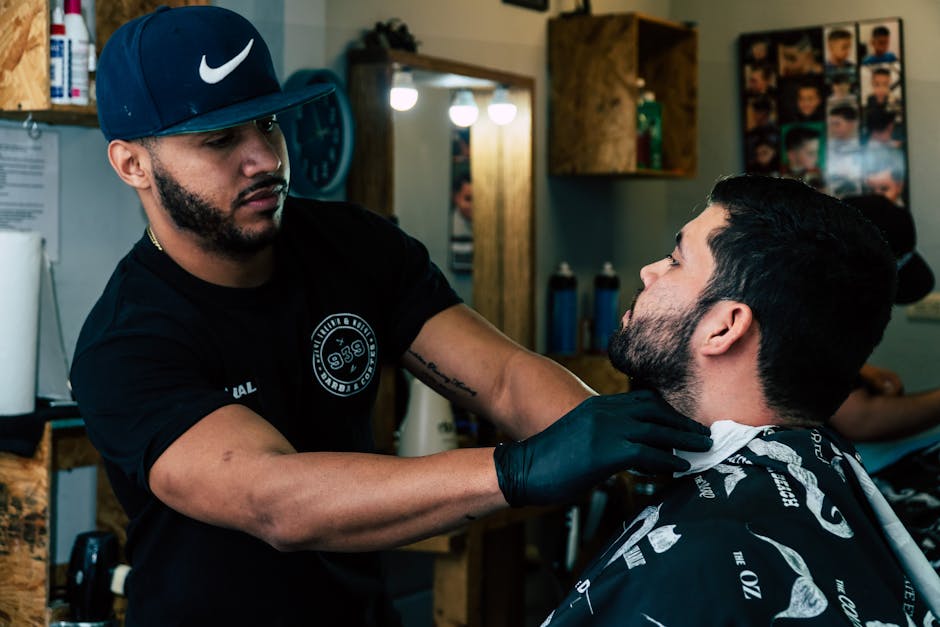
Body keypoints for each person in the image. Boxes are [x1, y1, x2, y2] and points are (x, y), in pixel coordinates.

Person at [68, 6, 713, 626]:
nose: (264, 159)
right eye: (220, 140)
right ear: (133, 164)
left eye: (268, 124)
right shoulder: (126, 343)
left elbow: (502, 378)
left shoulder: (354, 247)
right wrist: (518, 469)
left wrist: (663, 456)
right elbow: (276, 500)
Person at [540, 174, 940, 625]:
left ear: (724, 327)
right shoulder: (818, 482)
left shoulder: (697, 559)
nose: (648, 271)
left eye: (674, 261)